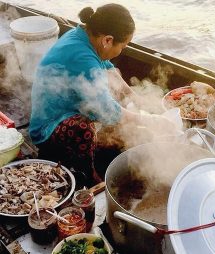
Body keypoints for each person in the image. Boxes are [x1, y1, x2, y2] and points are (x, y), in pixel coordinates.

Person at [29, 4, 175, 186]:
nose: (123, 50)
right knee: (84, 128)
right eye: (124, 45)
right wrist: (151, 121)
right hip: (48, 128)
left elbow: (108, 69)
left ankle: (107, 144)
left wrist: (134, 97)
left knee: (113, 85)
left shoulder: (85, 37)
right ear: (107, 40)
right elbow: (106, 110)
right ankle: (88, 177)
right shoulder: (81, 56)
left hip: (69, 105)